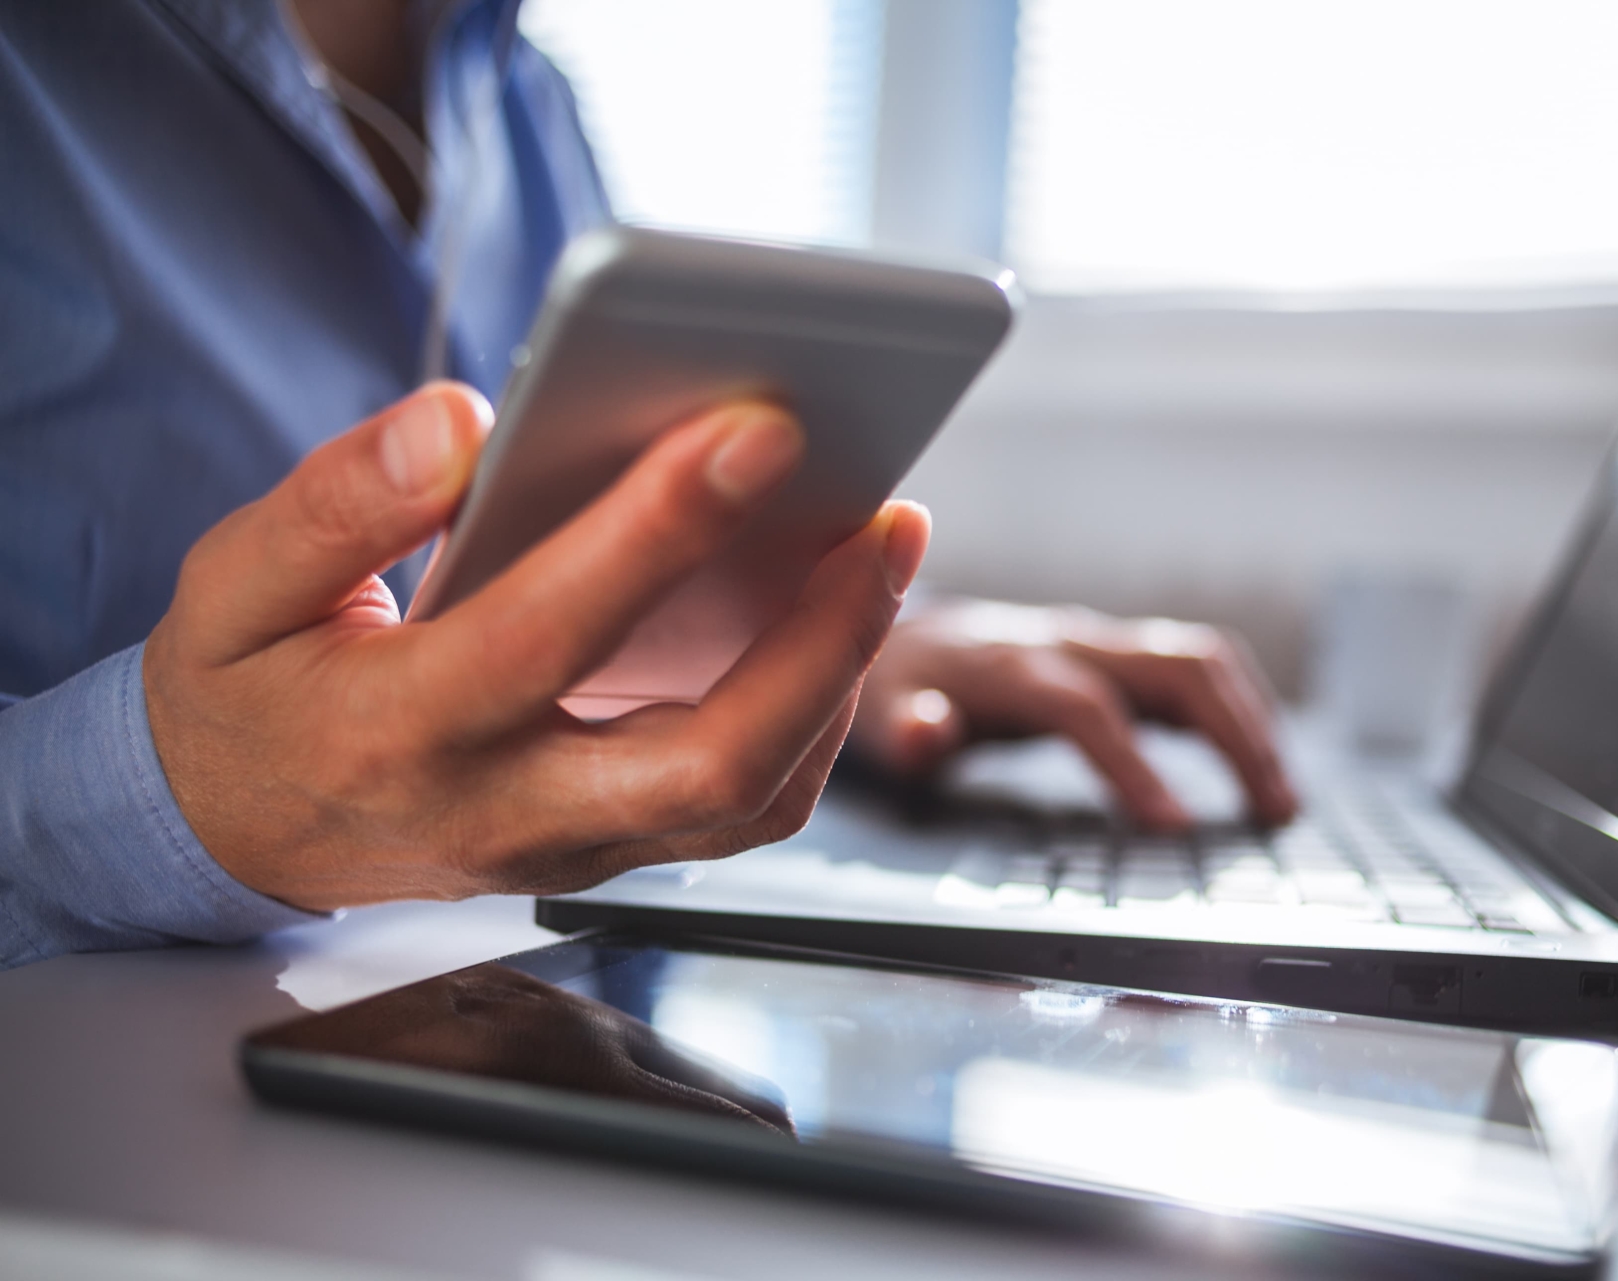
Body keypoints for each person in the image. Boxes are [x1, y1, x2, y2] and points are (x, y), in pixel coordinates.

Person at [0, 0, 1292, 970]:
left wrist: (848, 643)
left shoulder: (527, 105)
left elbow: (590, 546)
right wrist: (154, 795)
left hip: (475, 1016)